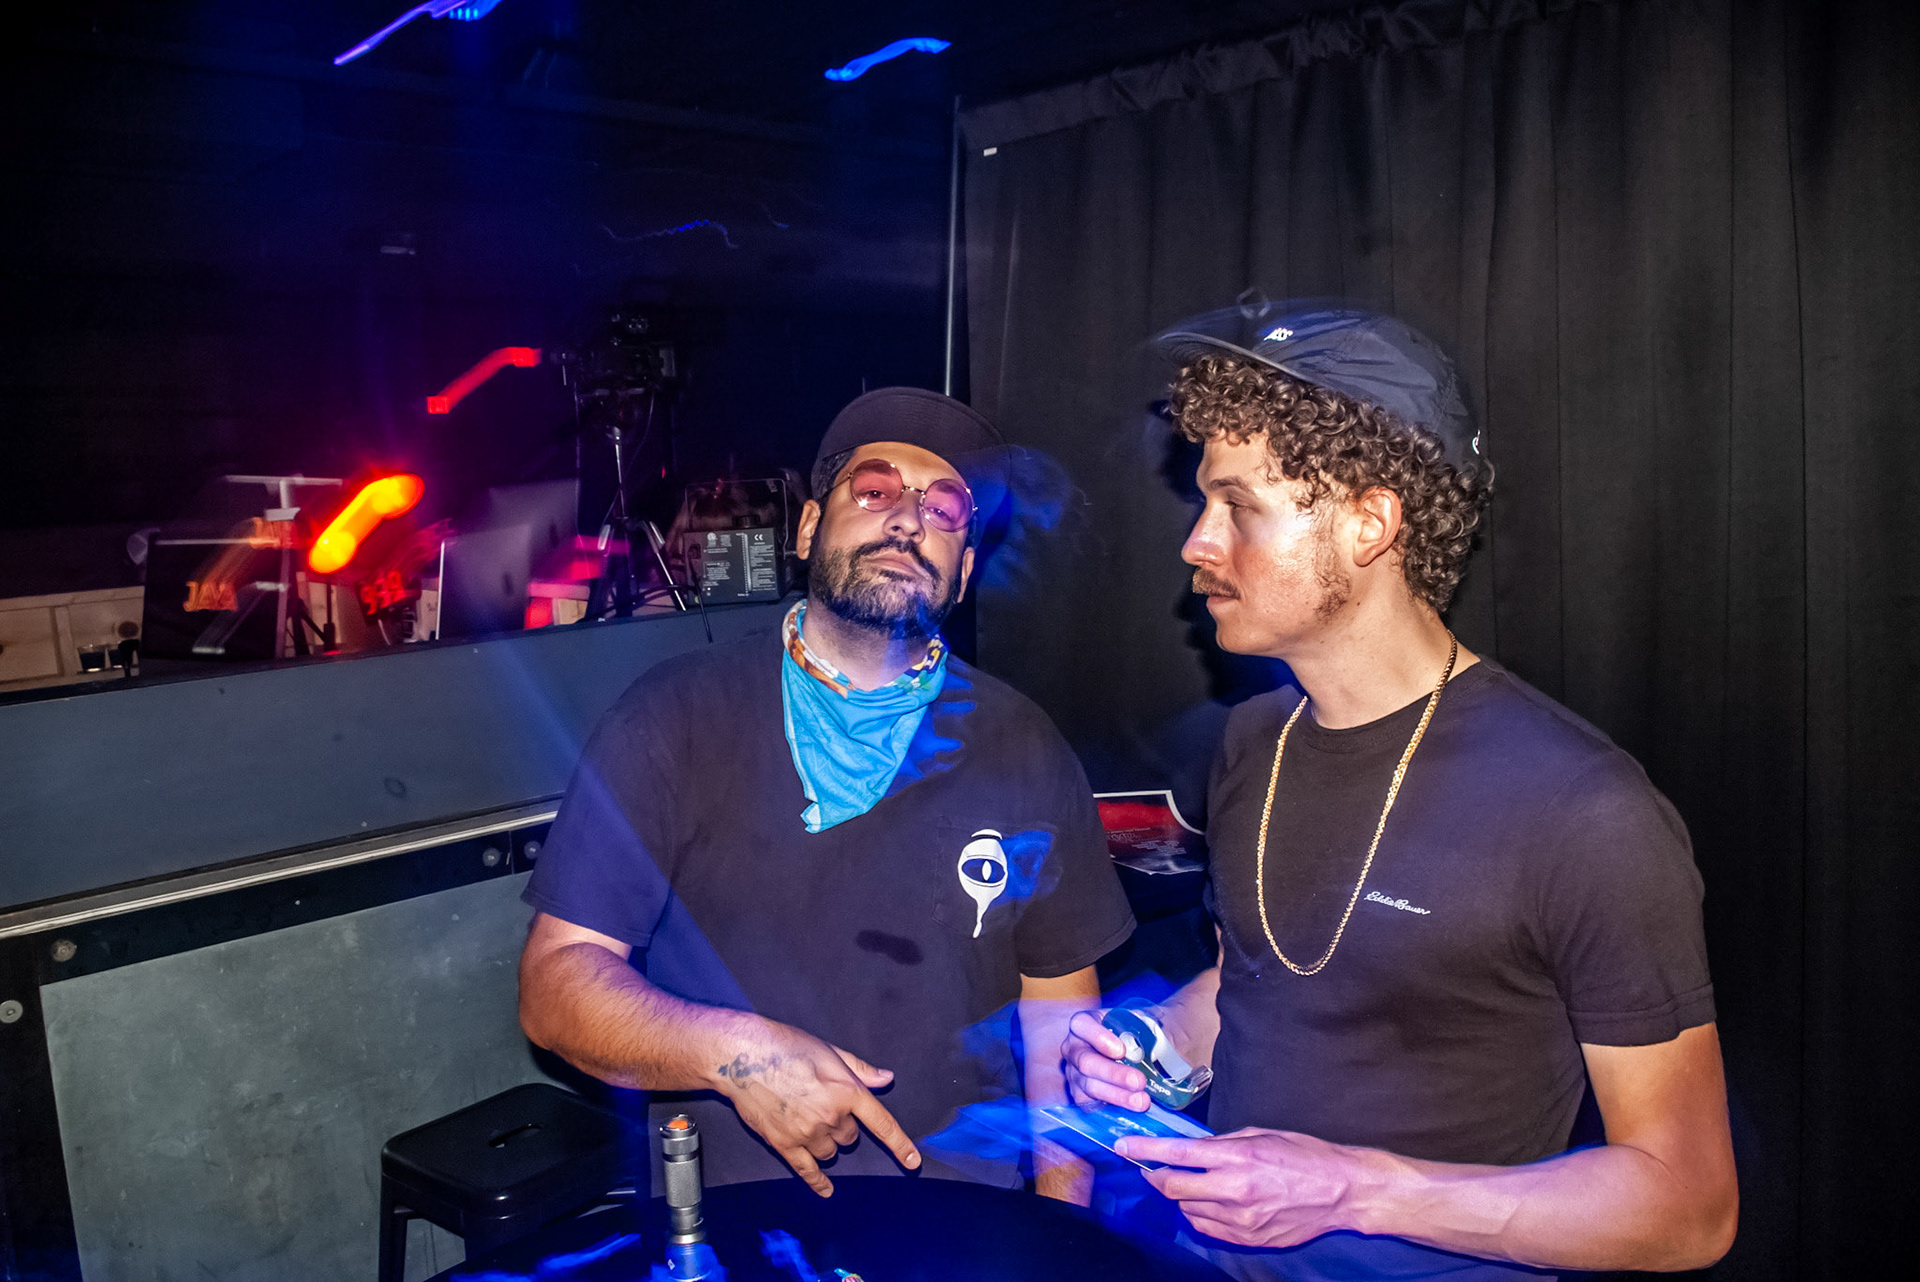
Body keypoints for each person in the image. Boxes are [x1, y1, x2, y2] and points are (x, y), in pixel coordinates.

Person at [1063, 309, 1737, 1278]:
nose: (1197, 543)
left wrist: (1356, 1190)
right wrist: (1156, 1044)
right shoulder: (1253, 742)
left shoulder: (1582, 810)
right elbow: (1254, 985)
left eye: (1238, 506)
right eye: (1204, 504)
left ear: (1369, 525)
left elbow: (1690, 1206)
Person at [519, 386, 1134, 1202]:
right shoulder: (675, 715)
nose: (908, 520)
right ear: (809, 528)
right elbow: (557, 987)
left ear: (965, 570)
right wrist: (734, 1054)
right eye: (874, 491)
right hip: (735, 1225)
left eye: (944, 509)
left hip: (962, 1227)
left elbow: (1061, 1026)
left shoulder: (1024, 744)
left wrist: (1063, 1238)